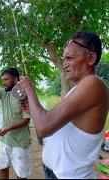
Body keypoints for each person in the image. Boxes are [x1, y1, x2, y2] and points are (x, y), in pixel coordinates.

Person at [18, 31, 109, 179]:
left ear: (91, 58)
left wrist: (29, 88)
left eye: (69, 58)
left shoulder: (94, 84)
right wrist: (32, 111)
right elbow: (46, 129)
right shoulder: (76, 90)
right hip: (53, 172)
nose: (64, 64)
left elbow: (44, 126)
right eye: (63, 59)